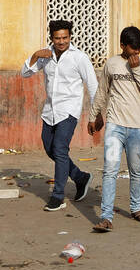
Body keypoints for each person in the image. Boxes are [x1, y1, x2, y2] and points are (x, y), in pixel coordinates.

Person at [22, 19, 99, 212]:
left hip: (69, 111)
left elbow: (93, 85)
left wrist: (95, 114)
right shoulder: (45, 56)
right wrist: (34, 56)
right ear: (52, 38)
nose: (61, 42)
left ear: (70, 37)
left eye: (65, 37)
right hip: (49, 111)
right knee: (51, 149)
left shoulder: (79, 57)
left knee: (60, 148)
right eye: (57, 38)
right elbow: (25, 73)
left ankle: (57, 196)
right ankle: (80, 177)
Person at [89, 26, 140, 232]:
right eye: (132, 49)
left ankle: (136, 209)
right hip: (114, 126)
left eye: (138, 50)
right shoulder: (112, 63)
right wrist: (94, 115)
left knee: (136, 170)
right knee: (110, 170)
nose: (136, 53)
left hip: (136, 126)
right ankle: (106, 217)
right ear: (122, 46)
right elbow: (102, 91)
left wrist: (136, 70)